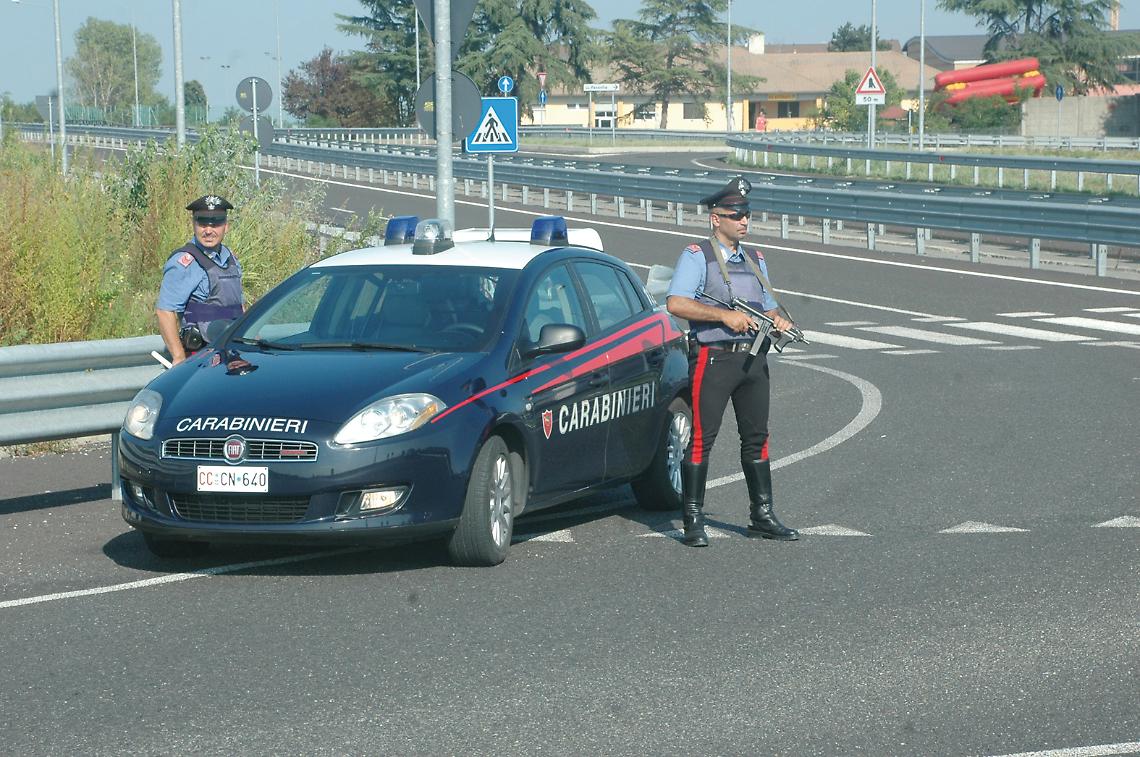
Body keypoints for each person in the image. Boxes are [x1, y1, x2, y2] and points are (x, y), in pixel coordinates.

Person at [665, 176, 800, 547]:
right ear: (715, 218)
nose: (744, 221)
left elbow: (765, 304)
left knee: (757, 438)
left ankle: (762, 514)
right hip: (714, 358)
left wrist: (779, 320)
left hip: (754, 360)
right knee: (701, 440)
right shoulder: (697, 256)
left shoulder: (755, 260)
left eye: (747, 214)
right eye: (736, 214)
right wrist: (722, 316)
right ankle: (692, 519)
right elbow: (676, 303)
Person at [156, 195, 244, 365]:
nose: (209, 230)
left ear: (226, 226)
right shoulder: (184, 262)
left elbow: (237, 306)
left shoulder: (230, 257)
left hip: (231, 352)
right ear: (193, 224)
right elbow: (165, 312)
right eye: (202, 223)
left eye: (216, 223)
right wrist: (179, 357)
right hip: (201, 357)